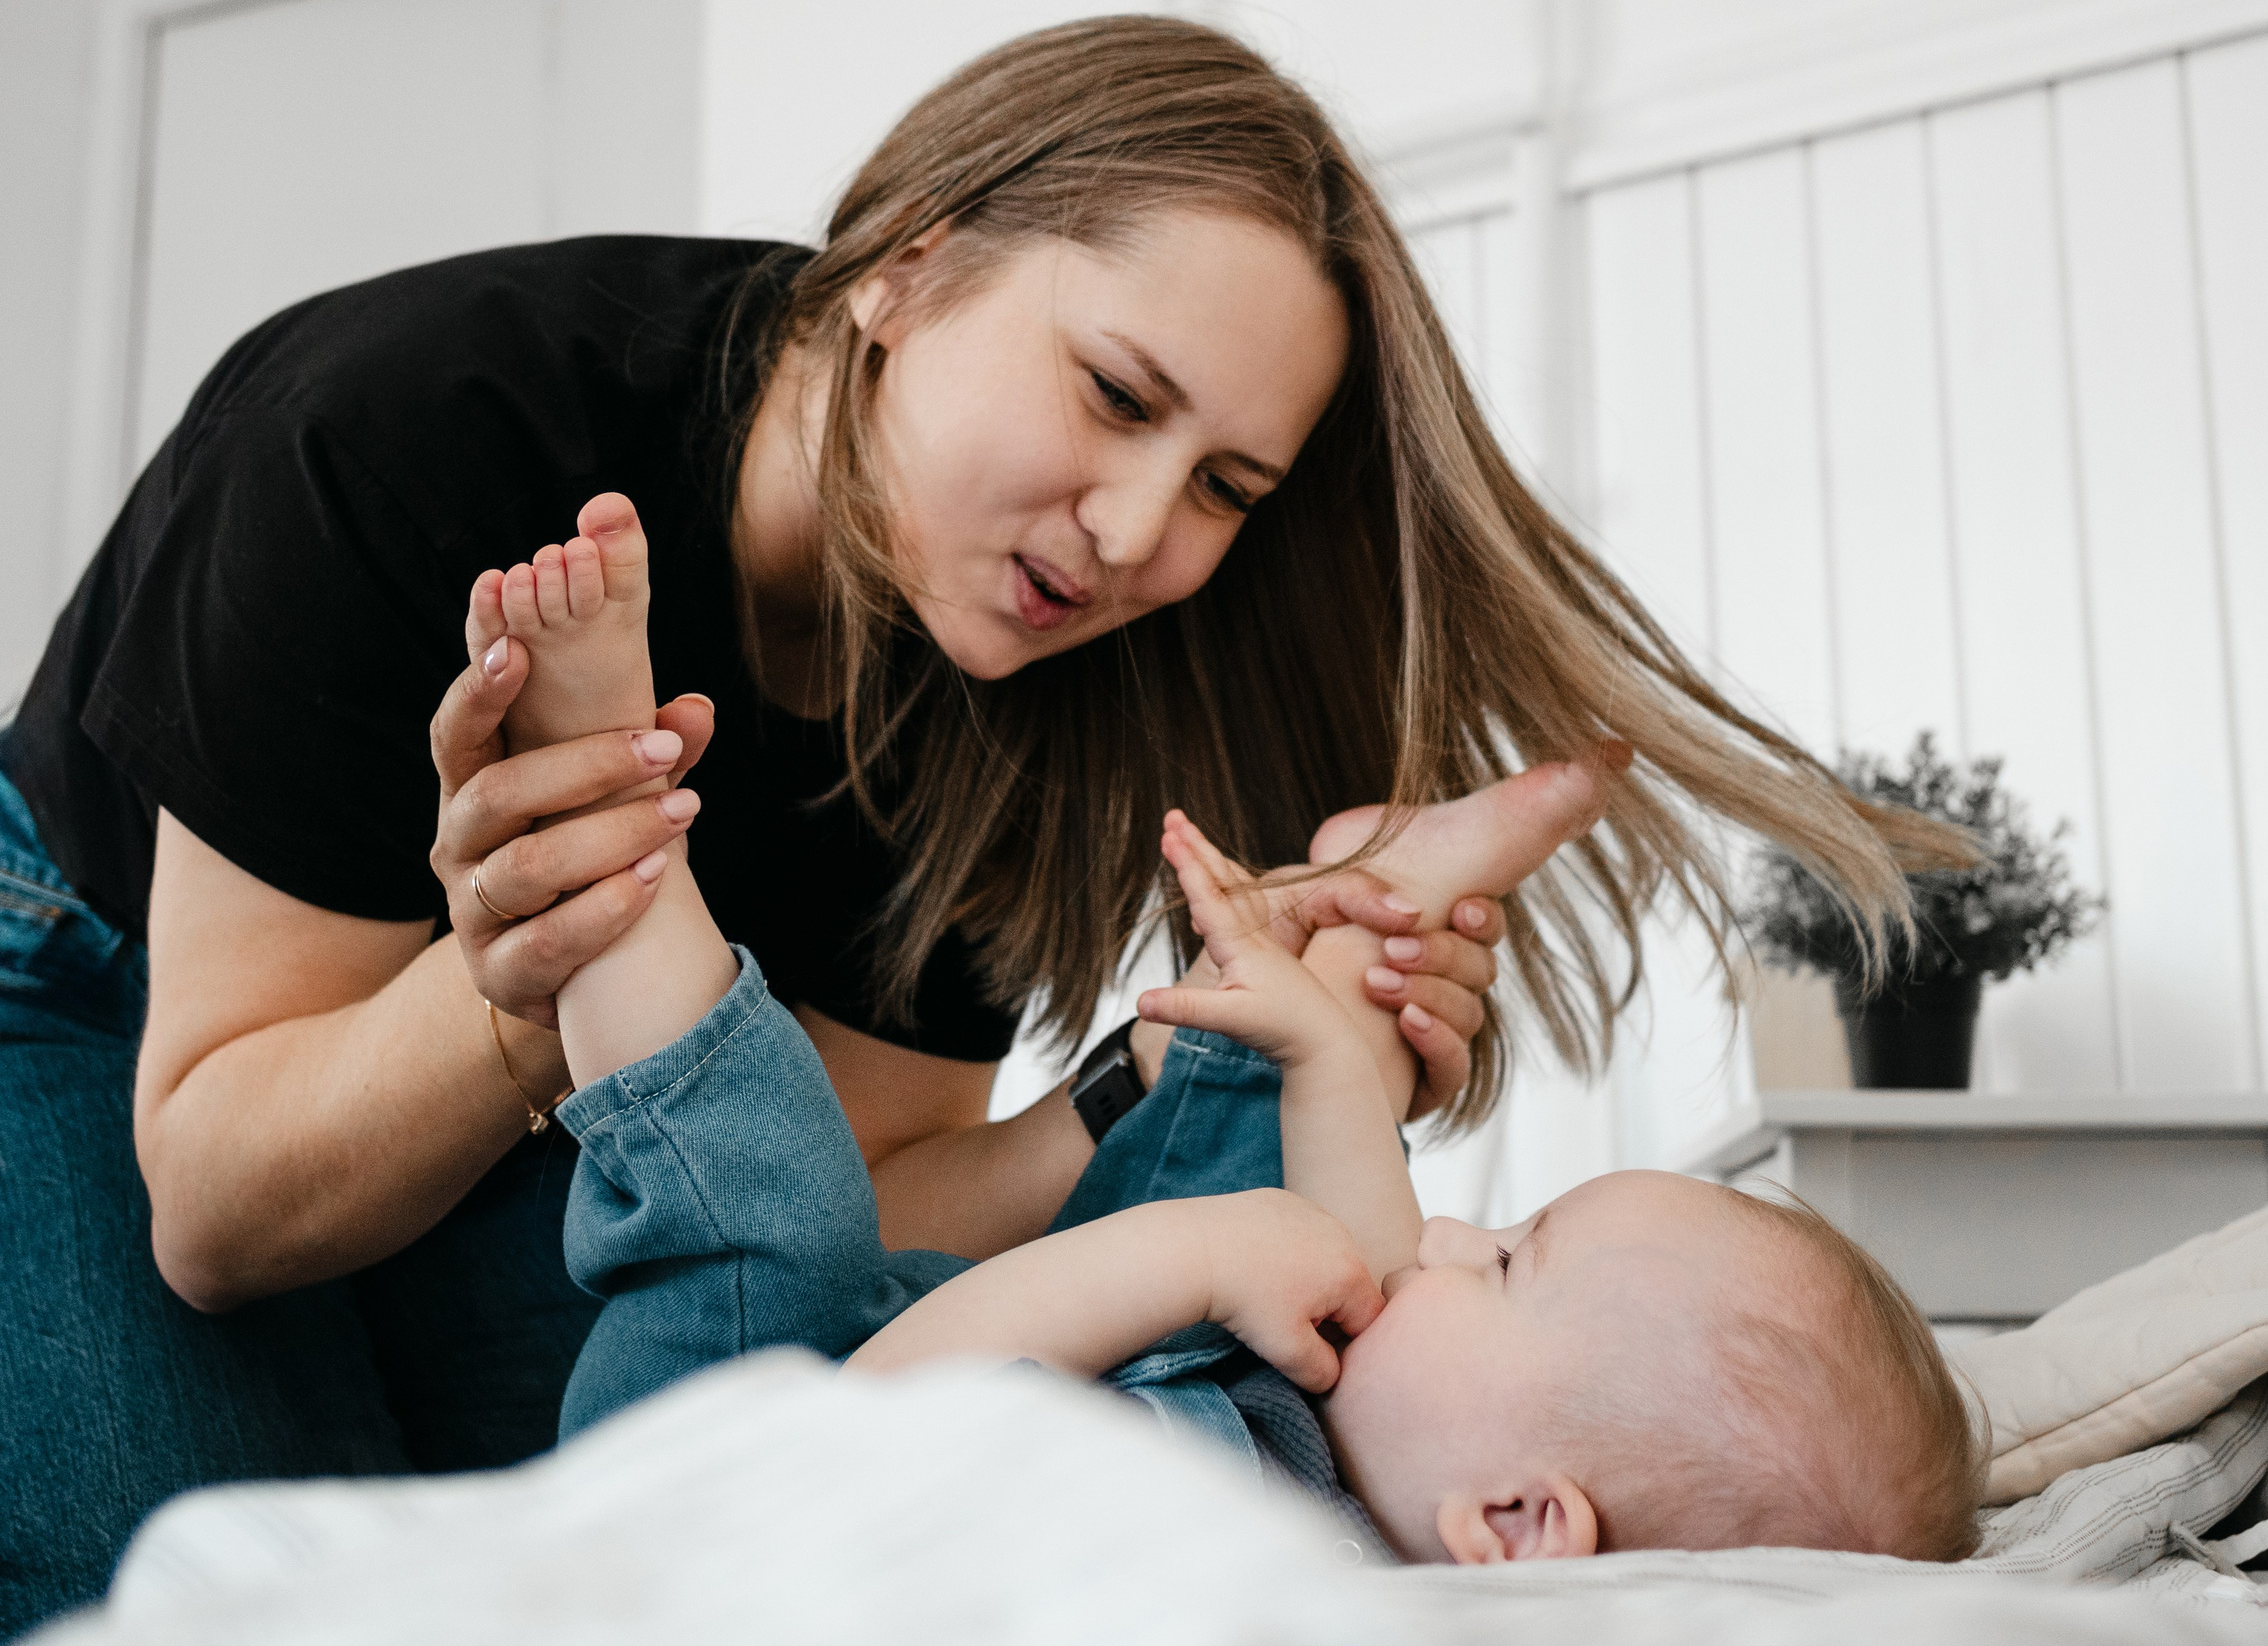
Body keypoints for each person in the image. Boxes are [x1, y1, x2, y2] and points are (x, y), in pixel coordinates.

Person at [0, 14, 1969, 1631]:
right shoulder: (415, 429)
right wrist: (553, 958)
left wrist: (1197, 1043)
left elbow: (843, 1229)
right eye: (1115, 396)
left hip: (514, 1109)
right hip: (101, 1004)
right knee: (186, 1575)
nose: (1137, 538)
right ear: (907, 262)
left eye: (1223, 485)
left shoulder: (1016, 677)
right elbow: (222, 1212)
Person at [488, 516, 1981, 1561]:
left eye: (1513, 1257)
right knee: (1278, 1175)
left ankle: (597, 793)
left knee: (772, 1200)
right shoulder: (1419, 1467)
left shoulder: (1195, 1535)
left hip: (729, 1454)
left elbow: (869, 1416)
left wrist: (1189, 1263)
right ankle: (1347, 932)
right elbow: (1373, 1250)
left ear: (1519, 1523)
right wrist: (1332, 1058)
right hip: (958, 1340)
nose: (1455, 1233)